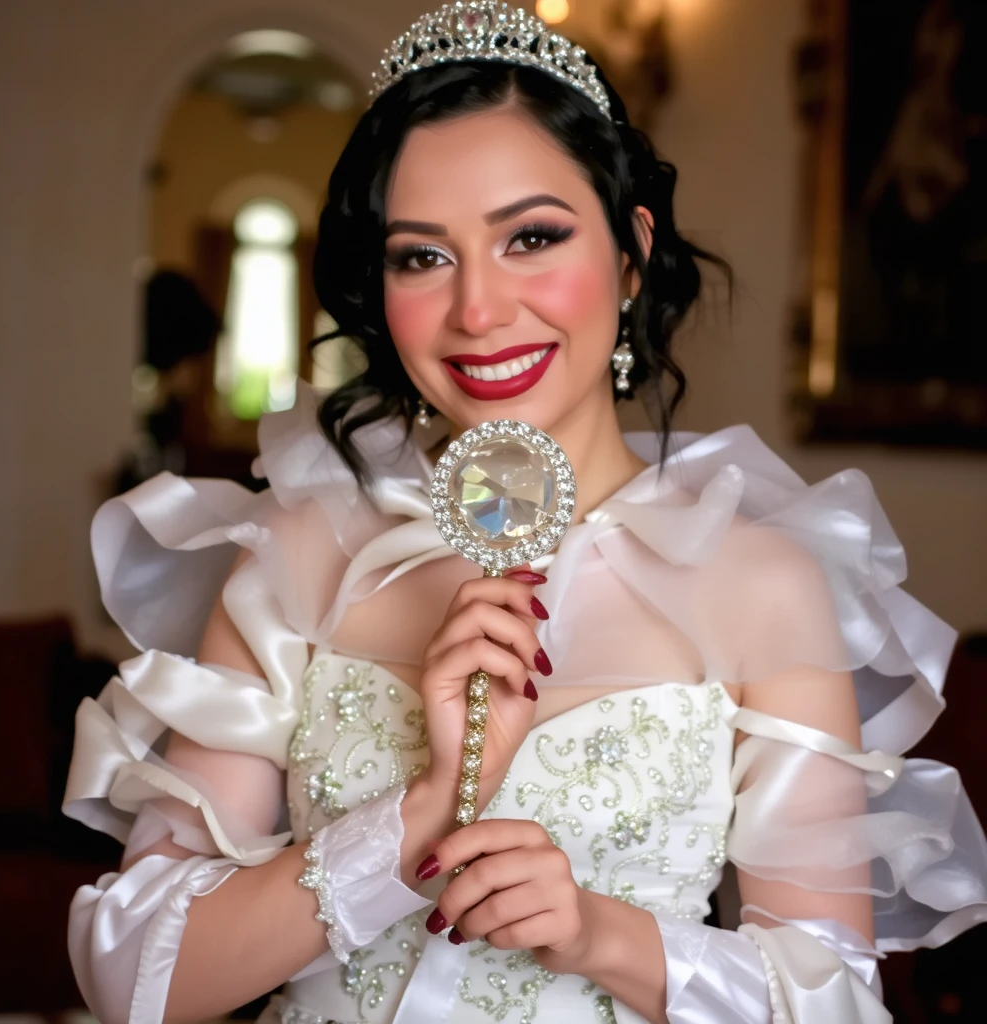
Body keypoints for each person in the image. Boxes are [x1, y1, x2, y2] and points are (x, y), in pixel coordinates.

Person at [63, 4, 987, 1022]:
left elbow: (835, 1004)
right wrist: (414, 822)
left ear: (631, 252)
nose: (477, 309)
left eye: (532, 237)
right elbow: (132, 978)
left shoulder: (759, 582)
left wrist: (601, 933)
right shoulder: (296, 559)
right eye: (422, 255)